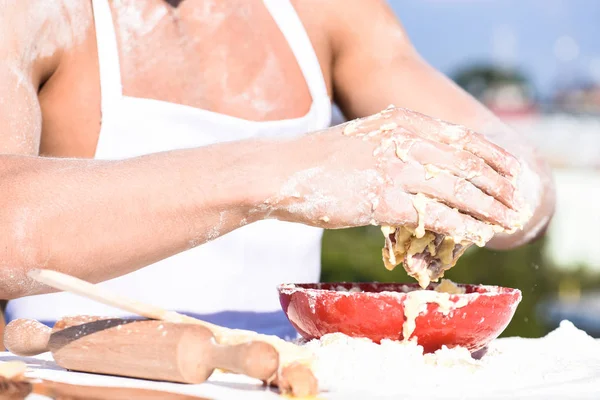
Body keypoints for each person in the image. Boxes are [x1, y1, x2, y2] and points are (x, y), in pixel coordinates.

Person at [0, 0, 554, 339]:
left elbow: (529, 184)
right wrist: (289, 172)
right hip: (76, 379)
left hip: (287, 378)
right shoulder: (34, 12)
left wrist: (492, 188)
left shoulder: (326, 12)